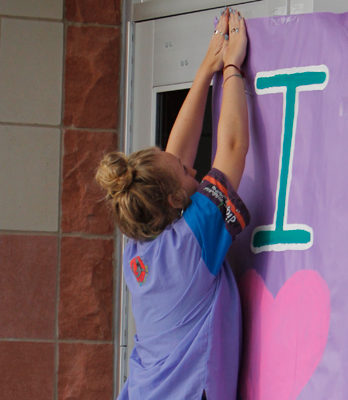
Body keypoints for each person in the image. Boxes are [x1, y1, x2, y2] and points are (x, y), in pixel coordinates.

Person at [95, 7, 249, 400]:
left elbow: (173, 157)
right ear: (176, 198)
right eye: (186, 171)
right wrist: (231, 67)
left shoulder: (141, 249)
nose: (193, 168)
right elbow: (231, 147)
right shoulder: (187, 245)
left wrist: (206, 67)